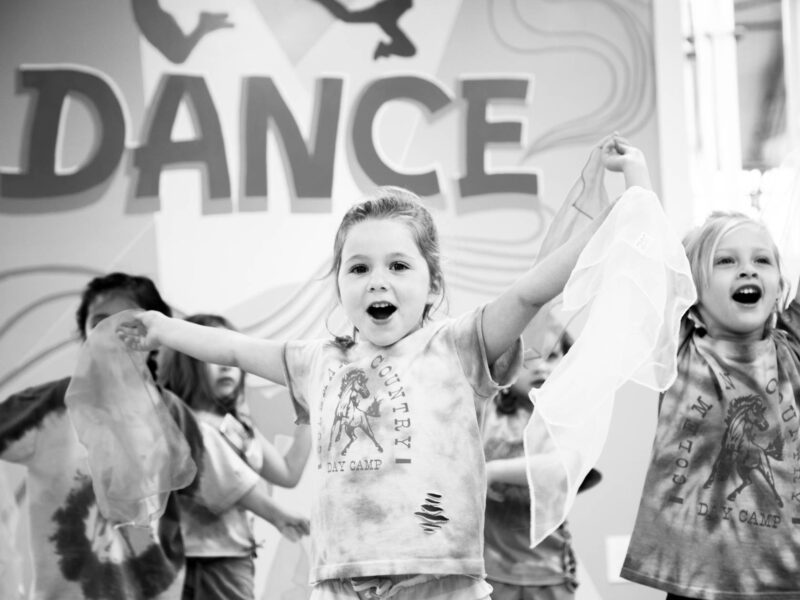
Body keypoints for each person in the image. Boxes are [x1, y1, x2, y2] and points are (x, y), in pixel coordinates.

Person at [116, 161, 625, 600]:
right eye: (358, 268)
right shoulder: (318, 361)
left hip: (439, 579)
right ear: (339, 285)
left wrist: (620, 212)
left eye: (399, 265)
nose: (377, 279)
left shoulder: (458, 347)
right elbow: (231, 348)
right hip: (342, 579)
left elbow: (529, 294)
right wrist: (161, 328)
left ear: (433, 285)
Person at [0, 272, 307, 600]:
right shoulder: (49, 405)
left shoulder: (172, 413)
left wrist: (276, 514)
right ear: (84, 332)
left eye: (127, 323)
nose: (110, 333)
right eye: (99, 321)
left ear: (154, 337)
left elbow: (218, 477)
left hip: (151, 588)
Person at [606, 141, 800, 599]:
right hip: (698, 579)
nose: (746, 271)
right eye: (725, 261)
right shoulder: (680, 350)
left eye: (761, 260)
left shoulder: (792, 345)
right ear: (691, 293)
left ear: (778, 285)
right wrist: (637, 177)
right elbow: (650, 261)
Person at [158, 313, 312, 600]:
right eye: (212, 357)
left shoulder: (237, 425)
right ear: (187, 363)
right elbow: (225, 479)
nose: (226, 367)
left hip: (233, 556)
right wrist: (274, 513)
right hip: (201, 559)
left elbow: (288, 473)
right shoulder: (183, 424)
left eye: (231, 358)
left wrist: (312, 408)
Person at [482, 332, 601, 600]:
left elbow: (561, 466)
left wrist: (492, 472)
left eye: (553, 356)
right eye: (529, 358)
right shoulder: (486, 413)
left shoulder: (569, 420)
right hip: (487, 569)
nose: (541, 366)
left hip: (546, 570)